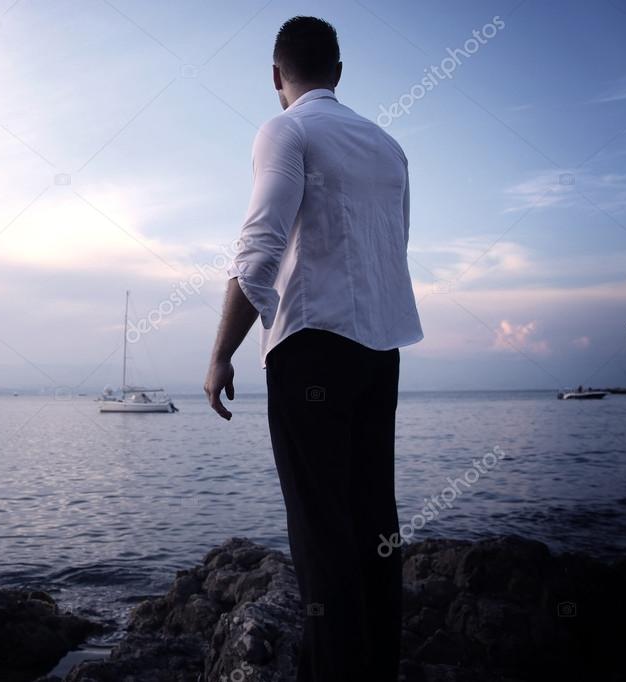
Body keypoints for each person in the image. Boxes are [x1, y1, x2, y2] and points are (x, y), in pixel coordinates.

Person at [203, 16, 423, 682]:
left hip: (310, 347)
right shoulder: (387, 145)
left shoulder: (285, 128)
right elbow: (396, 246)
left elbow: (258, 249)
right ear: (338, 69)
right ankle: (376, 666)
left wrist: (221, 354)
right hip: (378, 351)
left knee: (319, 527)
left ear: (276, 76)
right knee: (371, 519)